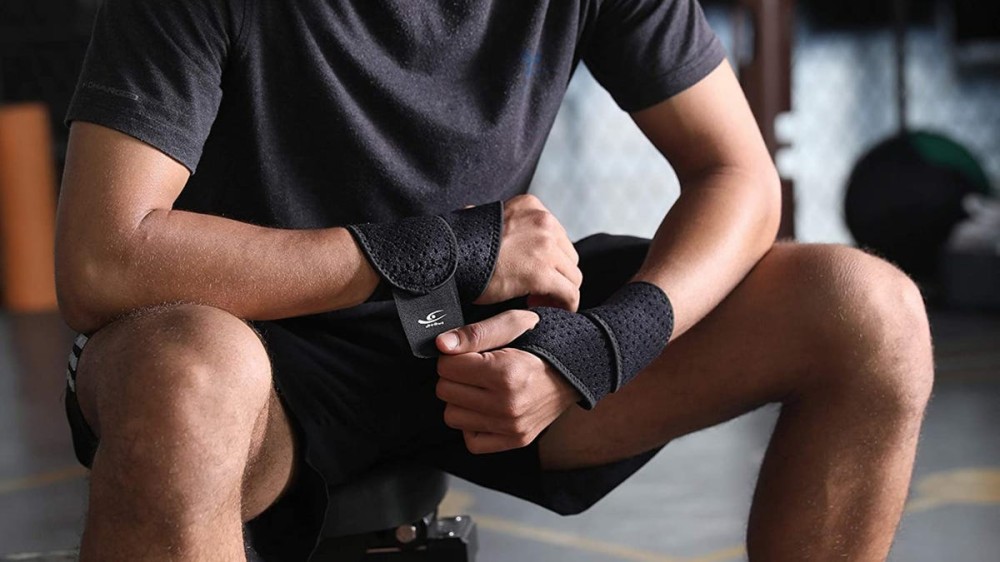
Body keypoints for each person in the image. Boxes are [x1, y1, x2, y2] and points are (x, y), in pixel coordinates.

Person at [54, 0, 933, 560]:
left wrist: (605, 342)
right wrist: (439, 250)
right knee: (184, 383)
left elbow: (736, 174)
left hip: (482, 339)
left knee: (869, 312)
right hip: (267, 353)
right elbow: (102, 258)